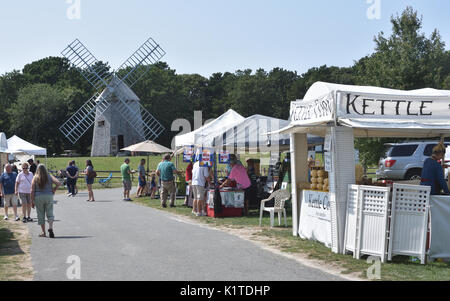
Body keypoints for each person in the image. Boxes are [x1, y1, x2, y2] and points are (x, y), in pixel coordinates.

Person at [30, 164, 61, 238]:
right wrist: (54, 190)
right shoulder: (49, 176)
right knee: (50, 213)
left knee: (40, 214)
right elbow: (58, 183)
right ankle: (50, 227)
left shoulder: (35, 177)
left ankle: (43, 232)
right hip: (48, 196)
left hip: (38, 197)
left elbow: (32, 190)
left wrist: (32, 200)